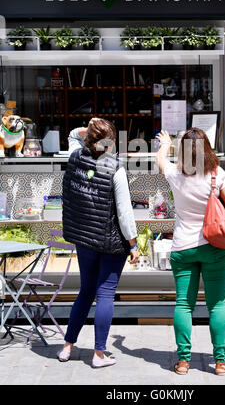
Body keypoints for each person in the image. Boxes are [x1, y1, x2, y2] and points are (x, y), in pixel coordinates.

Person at [156, 128, 225, 376]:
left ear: (183, 152)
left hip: (183, 247)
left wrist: (166, 144)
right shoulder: (217, 174)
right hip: (214, 247)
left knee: (184, 304)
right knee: (216, 305)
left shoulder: (175, 174)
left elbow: (160, 161)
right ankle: (221, 363)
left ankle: (183, 362)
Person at [57, 118, 139, 368]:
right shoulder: (114, 167)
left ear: (88, 139)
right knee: (105, 295)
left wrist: (90, 126)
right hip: (110, 241)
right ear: (111, 142)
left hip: (84, 239)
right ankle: (99, 354)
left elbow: (72, 134)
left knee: (85, 291)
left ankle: (67, 347)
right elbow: (125, 213)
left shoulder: (74, 156)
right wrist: (133, 245)